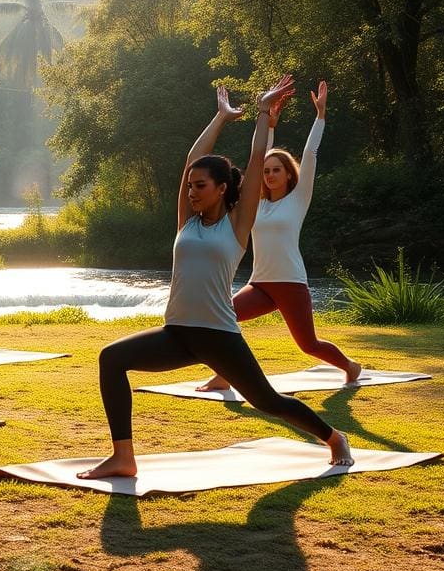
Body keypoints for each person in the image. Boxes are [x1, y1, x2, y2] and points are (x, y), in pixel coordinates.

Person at [79, 78, 353, 480]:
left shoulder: (238, 225)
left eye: (200, 186)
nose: (191, 191)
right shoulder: (186, 223)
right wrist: (222, 117)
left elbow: (258, 156)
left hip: (218, 335)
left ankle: (333, 438)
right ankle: (124, 457)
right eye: (190, 185)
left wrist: (262, 112)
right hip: (178, 333)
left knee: (268, 401)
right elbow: (194, 156)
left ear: (222, 189)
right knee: (112, 358)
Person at [198, 80, 361, 392]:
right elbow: (257, 156)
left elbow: (311, 152)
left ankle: (350, 366)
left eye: (276, 170)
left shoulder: (298, 199)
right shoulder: (256, 203)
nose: (269, 174)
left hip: (290, 283)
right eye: (267, 170)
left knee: (309, 345)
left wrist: (321, 116)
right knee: (222, 318)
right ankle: (225, 373)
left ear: (288, 173)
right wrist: (269, 125)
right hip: (260, 283)